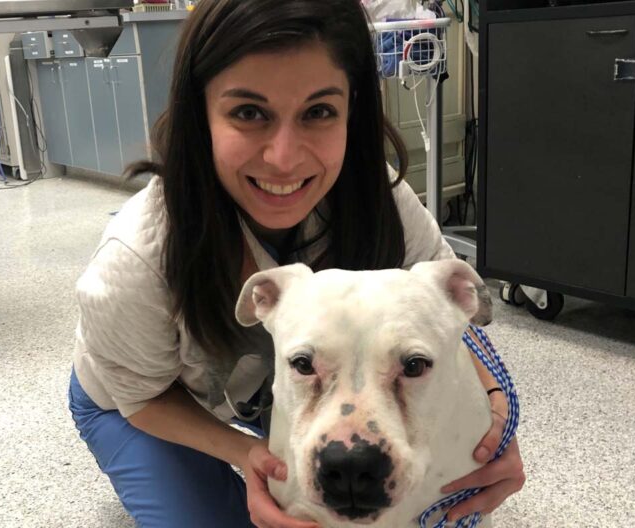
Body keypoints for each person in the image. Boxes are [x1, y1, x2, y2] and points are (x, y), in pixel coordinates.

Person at [67, 1, 525, 527]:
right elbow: (140, 397)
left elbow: (448, 316)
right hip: (144, 400)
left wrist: (495, 417)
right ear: (201, 114)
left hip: (290, 390)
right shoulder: (136, 257)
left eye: (318, 112)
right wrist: (251, 458)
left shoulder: (380, 202)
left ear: (353, 109)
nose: (284, 158)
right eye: (248, 112)